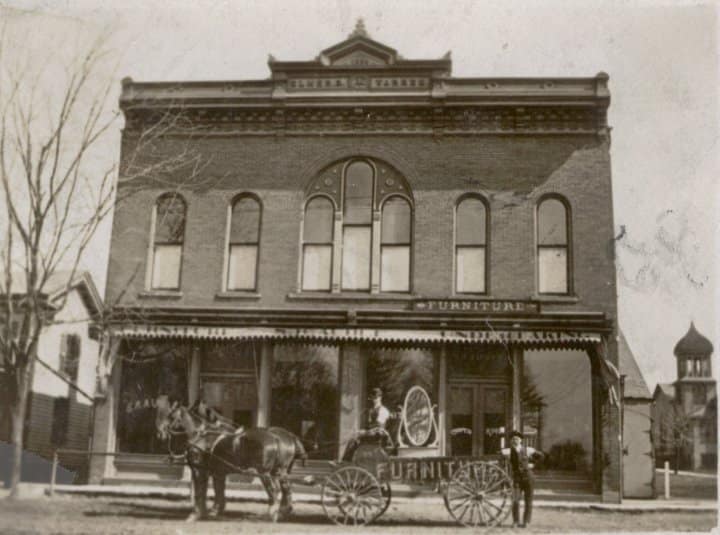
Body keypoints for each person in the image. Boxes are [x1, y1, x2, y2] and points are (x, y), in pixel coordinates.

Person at [501, 430, 542, 528]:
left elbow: (541, 456)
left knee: (528, 501)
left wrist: (533, 465)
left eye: (517, 439)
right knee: (515, 500)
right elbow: (500, 456)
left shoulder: (528, 450)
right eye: (513, 439)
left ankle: (526, 522)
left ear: (521, 440)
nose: (515, 441)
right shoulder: (507, 451)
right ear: (511, 441)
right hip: (517, 479)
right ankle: (515, 521)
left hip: (528, 478)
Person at [339, 387, 392, 463]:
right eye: (372, 398)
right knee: (352, 438)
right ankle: (347, 461)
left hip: (377, 436)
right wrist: (360, 431)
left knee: (353, 440)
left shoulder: (383, 410)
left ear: (380, 398)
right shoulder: (370, 410)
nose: (373, 400)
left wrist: (363, 432)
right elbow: (369, 424)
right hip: (371, 434)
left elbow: (378, 427)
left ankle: (345, 462)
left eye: (375, 398)